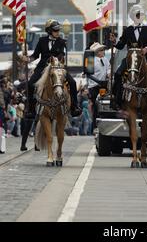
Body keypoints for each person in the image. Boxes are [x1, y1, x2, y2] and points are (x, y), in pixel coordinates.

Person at [20, 19, 81, 151]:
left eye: (58, 30)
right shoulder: (41, 41)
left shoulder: (61, 42)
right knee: (30, 84)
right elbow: (36, 56)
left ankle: (75, 106)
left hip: (56, 67)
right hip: (42, 67)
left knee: (72, 82)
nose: (58, 32)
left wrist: (56, 60)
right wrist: (27, 59)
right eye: (55, 30)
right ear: (49, 31)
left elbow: (61, 56)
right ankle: (30, 108)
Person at [110, 4, 147, 112]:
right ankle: (117, 101)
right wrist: (114, 42)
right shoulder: (127, 30)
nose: (138, 17)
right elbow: (121, 45)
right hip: (130, 58)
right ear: (132, 17)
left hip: (146, 58)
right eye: (135, 15)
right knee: (118, 74)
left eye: (140, 15)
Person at [87, 42, 110, 130]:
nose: (103, 51)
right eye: (101, 50)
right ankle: (94, 126)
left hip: (104, 85)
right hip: (94, 86)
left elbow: (108, 68)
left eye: (103, 50)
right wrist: (98, 81)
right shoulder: (90, 60)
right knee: (96, 106)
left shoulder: (105, 60)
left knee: (104, 104)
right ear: (97, 52)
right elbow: (88, 74)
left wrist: (108, 74)